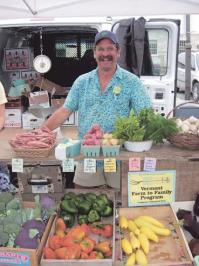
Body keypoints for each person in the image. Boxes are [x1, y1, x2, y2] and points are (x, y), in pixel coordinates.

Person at [43, 30, 152, 189]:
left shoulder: (131, 82)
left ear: (118, 52)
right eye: (100, 49)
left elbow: (145, 114)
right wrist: (41, 132)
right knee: (84, 200)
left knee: (118, 200)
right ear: (94, 53)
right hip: (87, 154)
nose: (105, 54)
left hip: (116, 155)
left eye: (110, 49)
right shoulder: (82, 82)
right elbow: (65, 111)